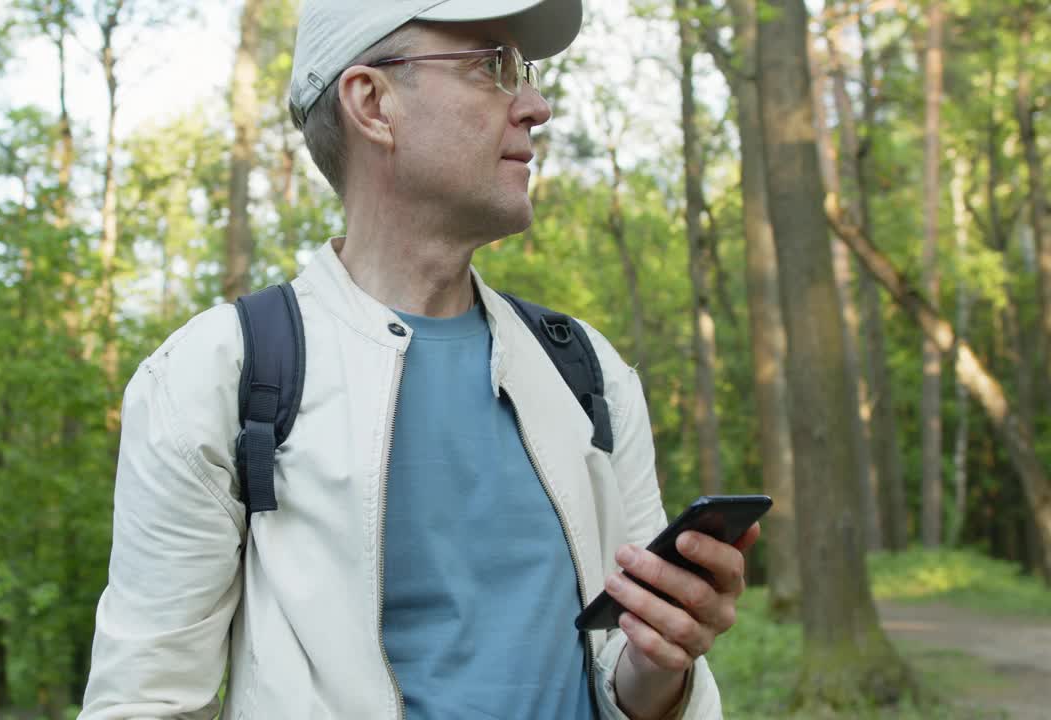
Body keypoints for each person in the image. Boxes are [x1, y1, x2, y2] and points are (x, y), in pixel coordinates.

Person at [79, 1, 761, 718]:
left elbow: (629, 678)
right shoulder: (217, 375)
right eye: (489, 64)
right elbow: (144, 702)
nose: (535, 105)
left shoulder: (588, 373)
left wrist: (662, 663)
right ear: (372, 103)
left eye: (519, 70)